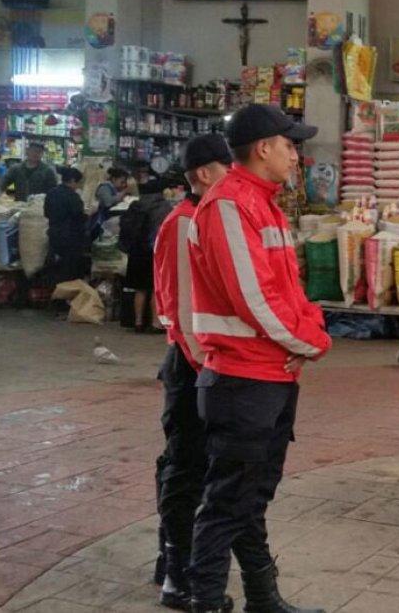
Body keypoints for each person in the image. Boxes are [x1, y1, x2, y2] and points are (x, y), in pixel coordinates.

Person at [186, 104, 330, 613]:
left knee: (250, 500)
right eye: (291, 146)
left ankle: (263, 599)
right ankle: (205, 600)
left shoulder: (264, 204)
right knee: (227, 503)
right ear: (264, 147)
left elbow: (288, 292)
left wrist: (307, 330)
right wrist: (308, 343)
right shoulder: (229, 205)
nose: (296, 156)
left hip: (268, 378)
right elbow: (255, 297)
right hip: (242, 381)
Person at [152, 135, 232, 611]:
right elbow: (184, 314)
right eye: (228, 167)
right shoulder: (186, 223)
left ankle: (171, 561)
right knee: (185, 470)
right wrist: (211, 372)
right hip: (191, 363)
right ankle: (177, 577)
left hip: (198, 362)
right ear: (204, 174)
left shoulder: (202, 218)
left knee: (187, 467)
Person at [120, 178, 173, 333]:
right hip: (155, 251)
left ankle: (138, 322)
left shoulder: (136, 205)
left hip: (136, 252)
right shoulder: (164, 207)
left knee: (140, 288)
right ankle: (156, 323)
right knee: (156, 288)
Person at [43, 167, 89, 283]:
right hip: (71, 239)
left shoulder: (51, 193)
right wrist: (89, 214)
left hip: (54, 236)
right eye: (78, 183)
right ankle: (68, 293)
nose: (78, 186)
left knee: (57, 268)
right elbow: (80, 218)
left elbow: (46, 213)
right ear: (73, 181)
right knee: (70, 270)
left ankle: (57, 289)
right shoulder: (73, 197)